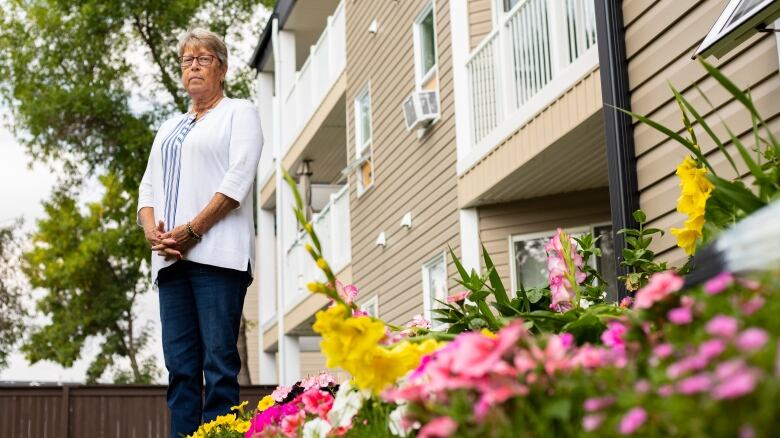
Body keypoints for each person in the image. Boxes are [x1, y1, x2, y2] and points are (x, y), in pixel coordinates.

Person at [136, 28, 263, 437]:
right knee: (181, 370)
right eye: (187, 60)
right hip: (170, 263)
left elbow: (237, 178)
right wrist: (153, 231)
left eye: (203, 59)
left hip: (217, 258)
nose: (193, 66)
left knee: (219, 365)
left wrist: (193, 230)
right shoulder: (169, 128)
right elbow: (148, 187)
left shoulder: (239, 112)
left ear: (221, 69)